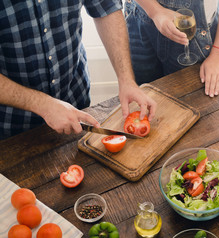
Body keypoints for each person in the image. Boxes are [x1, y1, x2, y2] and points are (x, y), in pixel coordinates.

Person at [0, 0, 156, 140]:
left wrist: (126, 79)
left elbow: (106, 8)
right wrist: (41, 104)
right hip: (12, 127)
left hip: (76, 102)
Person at [124, 0, 219, 97]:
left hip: (192, 31)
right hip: (139, 18)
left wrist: (218, 53)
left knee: (192, 105)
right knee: (144, 101)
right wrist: (155, 12)